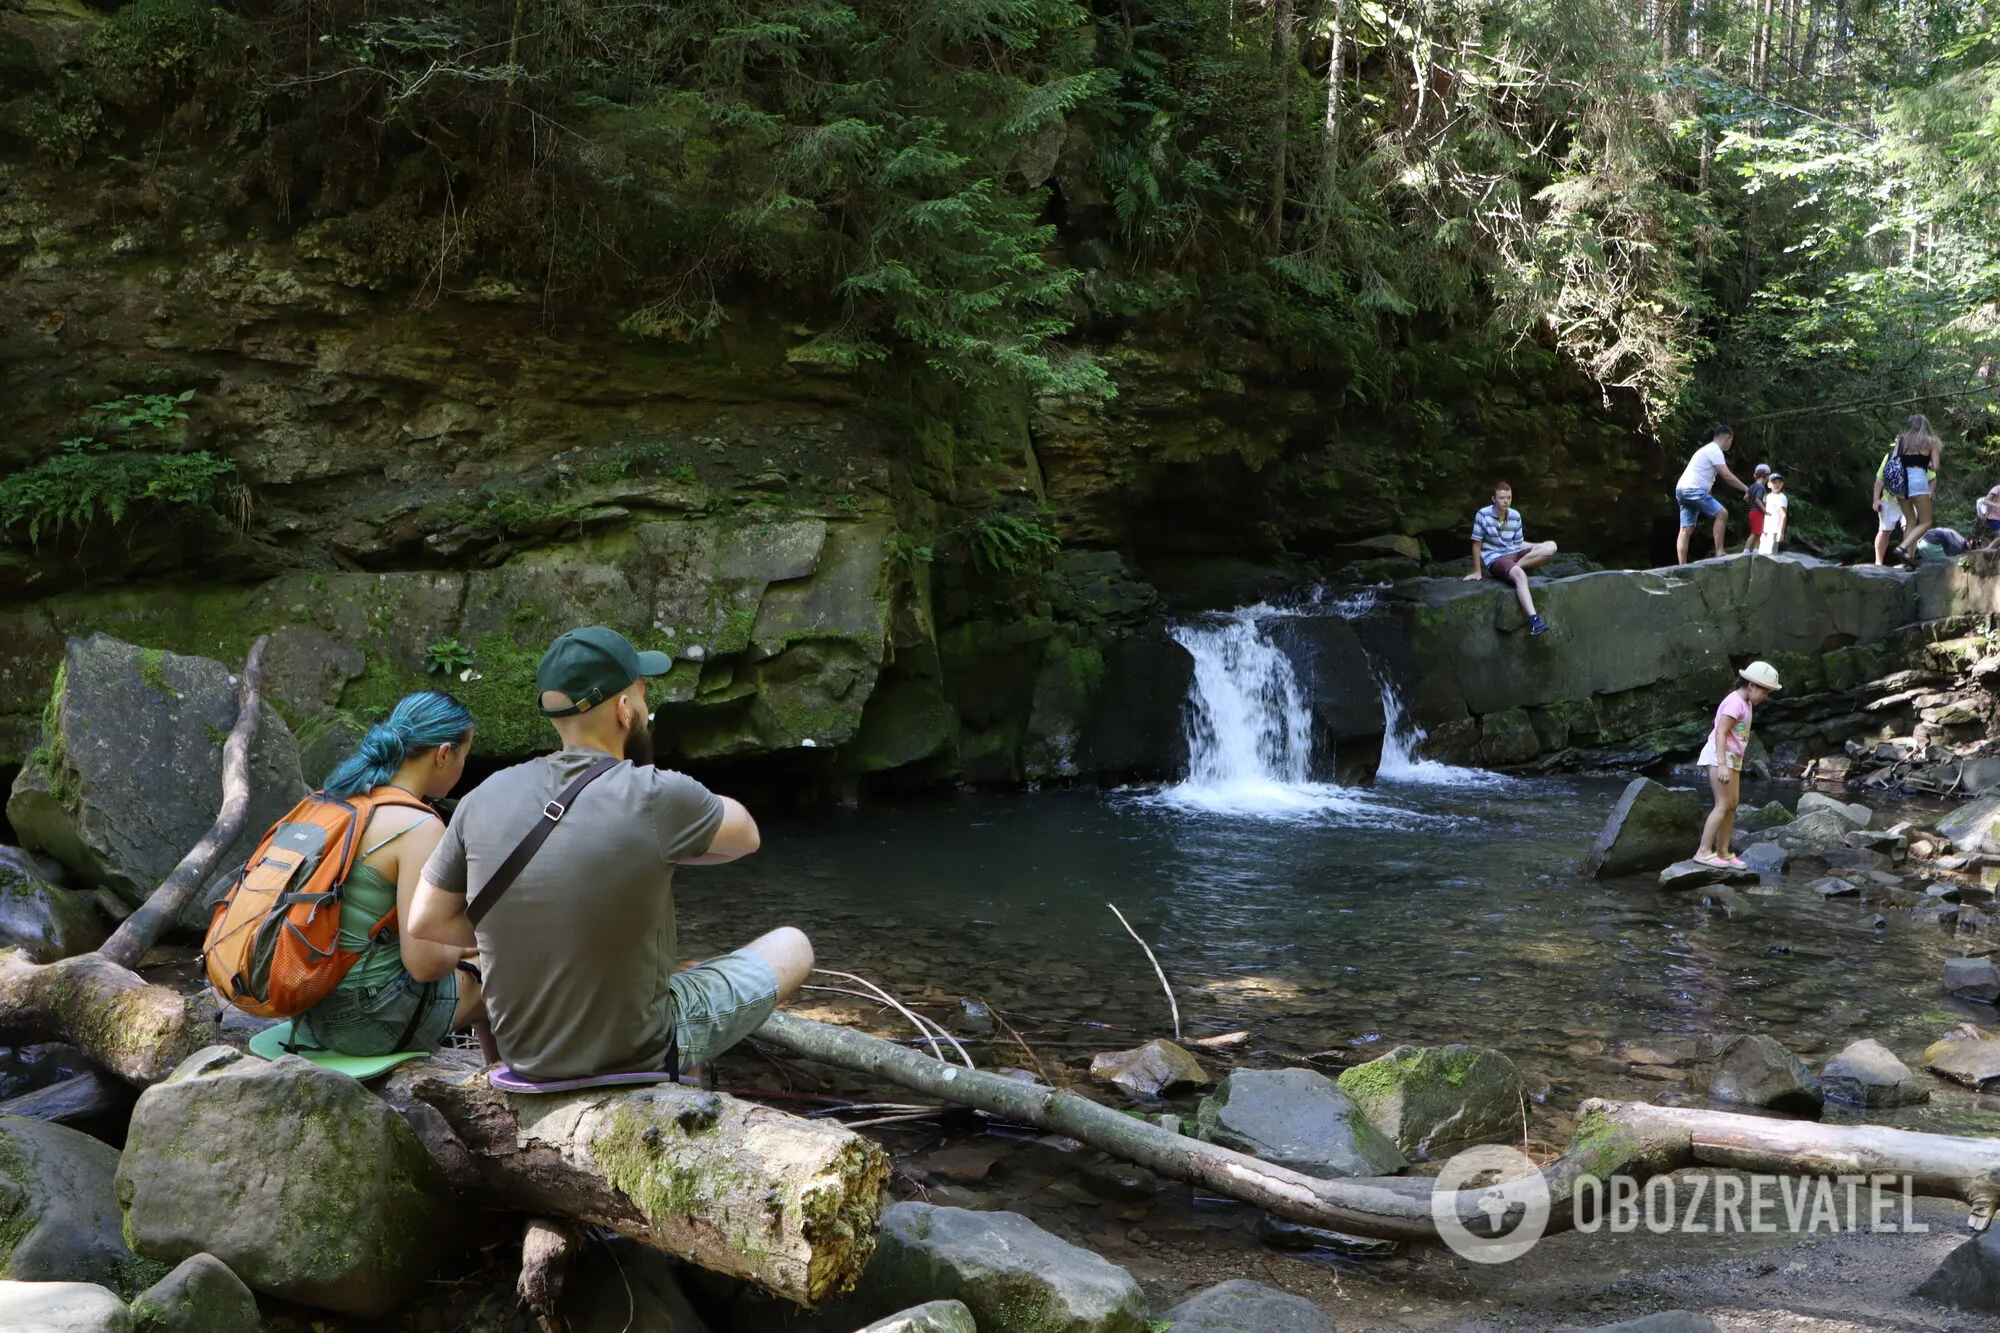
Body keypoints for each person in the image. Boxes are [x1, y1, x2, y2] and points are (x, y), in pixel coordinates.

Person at [408, 626, 810, 1083]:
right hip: (636, 1051)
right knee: (792, 944)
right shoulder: (657, 794)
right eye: (642, 694)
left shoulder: (484, 796)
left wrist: (537, 918)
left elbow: (426, 920)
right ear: (623, 709)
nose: (644, 706)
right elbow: (746, 836)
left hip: (526, 1054)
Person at [293, 692, 492, 1058]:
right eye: (464, 755)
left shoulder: (329, 802)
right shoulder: (417, 826)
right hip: (364, 1023)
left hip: (304, 1008)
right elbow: (425, 964)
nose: (463, 766)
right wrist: (471, 945)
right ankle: (509, 1089)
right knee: (509, 965)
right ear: (444, 754)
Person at [1692, 662, 1782, 870]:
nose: (1765, 697)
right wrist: (1722, 764)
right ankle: (1703, 851)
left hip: (1733, 758)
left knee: (1732, 804)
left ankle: (1723, 851)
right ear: (1751, 685)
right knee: (1722, 804)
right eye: (1765, 692)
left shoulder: (1746, 703)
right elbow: (1720, 733)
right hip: (1719, 756)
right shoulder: (1734, 703)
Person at [1462, 481, 1557, 635]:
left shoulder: (1515, 515)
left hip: (1514, 553)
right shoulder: (1483, 515)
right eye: (1502, 498)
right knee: (1520, 575)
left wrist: (1540, 546)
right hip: (1495, 558)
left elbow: (1519, 543)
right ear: (1494, 499)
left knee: (1551, 546)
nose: (1506, 501)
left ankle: (1514, 567)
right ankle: (1534, 620)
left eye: (1509, 498)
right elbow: (1476, 544)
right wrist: (1477, 571)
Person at [1674, 425, 1751, 565]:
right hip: (1693, 490)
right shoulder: (1715, 450)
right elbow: (1726, 476)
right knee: (1722, 514)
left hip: (1682, 489)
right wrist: (1747, 489)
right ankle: (1719, 551)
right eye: (1731, 441)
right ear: (1728, 438)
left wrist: (1710, 499)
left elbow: (1704, 476)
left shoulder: (1706, 450)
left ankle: (1682, 566)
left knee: (1686, 529)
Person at [1892, 413, 1944, 564]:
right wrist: (1924, 463)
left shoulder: (1902, 440)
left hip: (1901, 482)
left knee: (1910, 521)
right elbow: (1936, 466)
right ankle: (1902, 548)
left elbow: (1894, 460)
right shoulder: (1931, 442)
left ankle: (1908, 560)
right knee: (1926, 522)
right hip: (1918, 481)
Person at [1872, 450, 1906, 565]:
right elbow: (1880, 478)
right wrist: (1876, 499)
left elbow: (1932, 477)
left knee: (1908, 528)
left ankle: (1908, 560)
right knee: (1884, 531)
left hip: (1910, 499)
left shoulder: (1920, 456)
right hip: (1889, 499)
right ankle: (1878, 562)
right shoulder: (1890, 456)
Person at [1742, 464, 1772, 555]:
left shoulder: (1753, 486)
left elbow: (1745, 498)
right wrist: (1765, 510)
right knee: (1755, 532)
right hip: (1757, 512)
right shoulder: (1761, 487)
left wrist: (1750, 502)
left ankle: (1756, 550)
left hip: (1753, 512)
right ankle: (1746, 550)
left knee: (1758, 531)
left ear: (1755, 475)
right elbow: (1757, 499)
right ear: (1766, 476)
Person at [1757, 473, 1789, 556]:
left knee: (1771, 556)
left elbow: (1783, 515)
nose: (1777, 484)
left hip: (1774, 530)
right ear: (1769, 484)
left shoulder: (1782, 497)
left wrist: (1781, 532)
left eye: (1779, 482)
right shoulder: (1768, 497)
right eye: (1774, 482)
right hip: (1765, 530)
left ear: (1782, 484)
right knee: (1761, 554)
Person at [1977, 485, 2000, 550]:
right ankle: (1986, 551)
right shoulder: (1997, 489)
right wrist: (1997, 505)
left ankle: (1993, 552)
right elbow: (1986, 501)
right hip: (1992, 517)